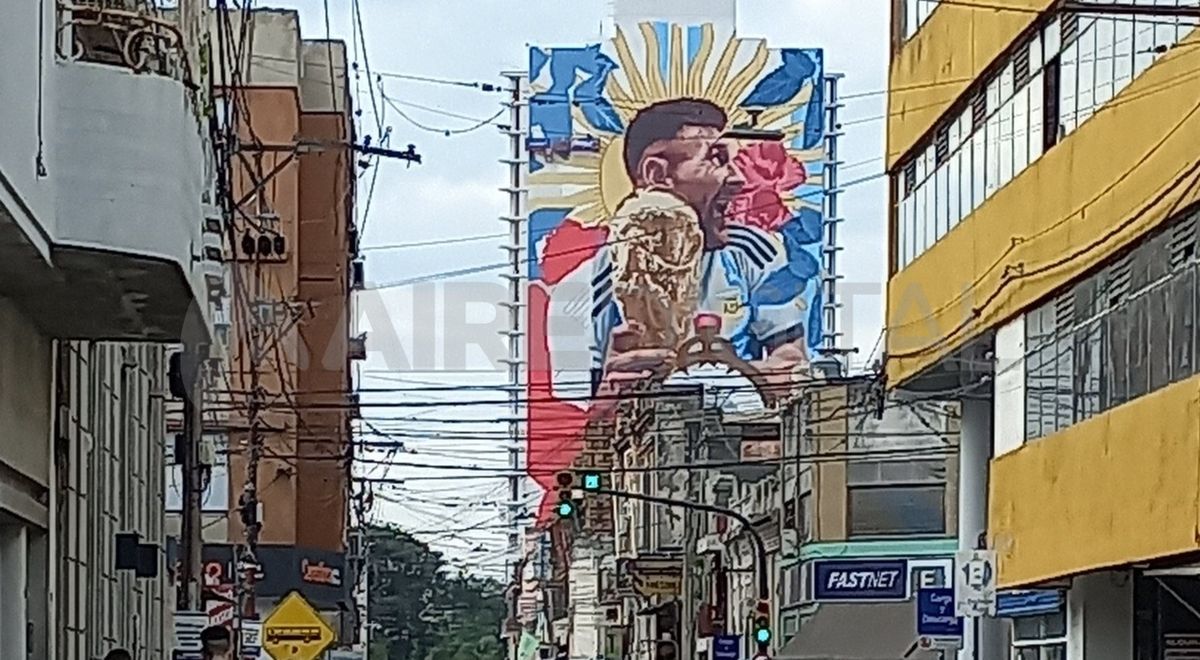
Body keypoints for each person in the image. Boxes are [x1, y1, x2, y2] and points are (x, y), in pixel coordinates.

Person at [584, 98, 810, 395]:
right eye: (715, 159)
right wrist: (611, 396)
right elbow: (585, 398)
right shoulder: (606, 268)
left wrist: (717, 373)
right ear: (657, 173)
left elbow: (793, 366)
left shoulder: (754, 252)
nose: (738, 179)